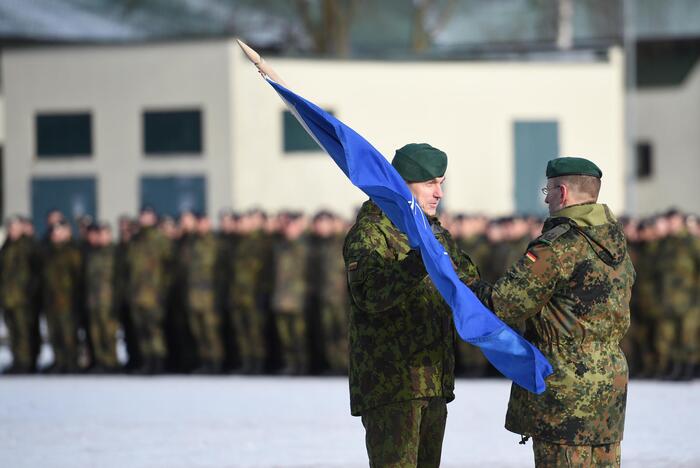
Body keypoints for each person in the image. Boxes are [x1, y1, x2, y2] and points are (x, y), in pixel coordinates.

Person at [468, 157, 635, 467]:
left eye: (548, 190)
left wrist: (460, 278)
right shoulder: (616, 245)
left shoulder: (558, 247)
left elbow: (502, 303)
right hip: (610, 385)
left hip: (566, 388)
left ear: (563, 192)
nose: (545, 199)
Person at [343, 143, 480, 467]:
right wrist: (418, 261)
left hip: (432, 379)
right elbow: (369, 294)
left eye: (442, 183)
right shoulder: (372, 231)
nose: (439, 193)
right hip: (393, 383)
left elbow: (469, 282)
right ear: (404, 183)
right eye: (431, 183)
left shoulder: (433, 232)